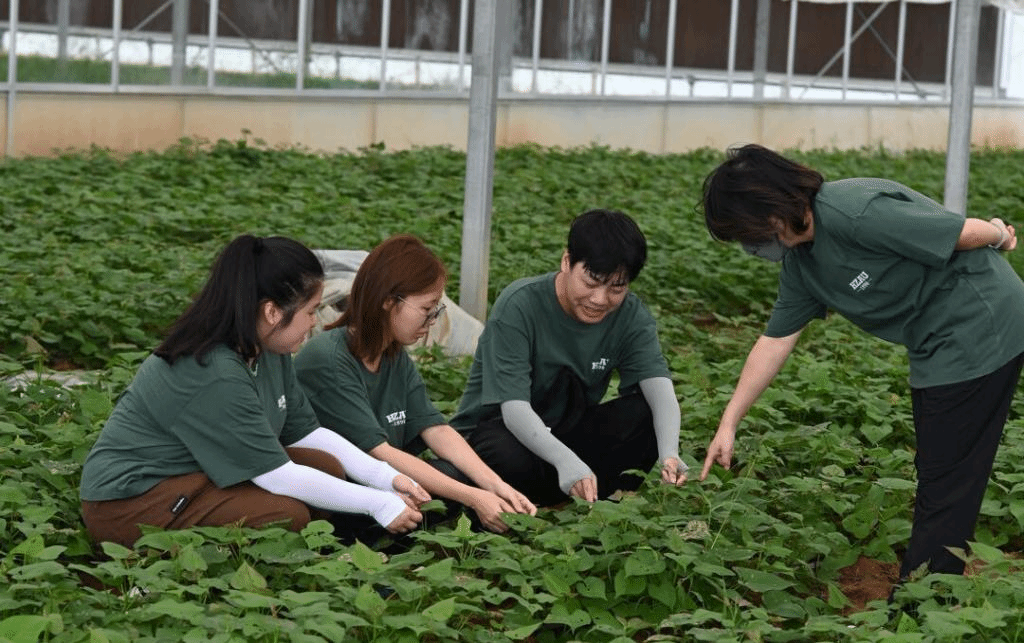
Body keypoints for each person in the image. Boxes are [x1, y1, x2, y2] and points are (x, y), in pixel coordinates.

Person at [698, 143, 1024, 583]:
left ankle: (923, 599)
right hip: (933, 343)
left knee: (948, 479)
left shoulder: (854, 211)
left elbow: (960, 233)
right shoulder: (802, 264)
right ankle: (929, 584)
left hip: (980, 321)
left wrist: (999, 233)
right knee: (939, 466)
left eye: (745, 233)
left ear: (770, 212)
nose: (748, 246)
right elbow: (774, 341)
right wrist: (729, 423)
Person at [79, 235, 429, 548]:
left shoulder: (268, 349)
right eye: (310, 311)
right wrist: (377, 503)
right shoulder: (214, 370)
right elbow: (278, 476)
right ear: (272, 312)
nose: (314, 323)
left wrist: (385, 478)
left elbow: (307, 433)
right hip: (135, 501)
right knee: (285, 515)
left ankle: (309, 553)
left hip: (199, 473)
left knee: (325, 466)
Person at [294, 234, 536, 533]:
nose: (433, 320)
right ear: (388, 301)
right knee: (450, 488)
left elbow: (435, 428)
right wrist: (475, 497)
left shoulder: (392, 353)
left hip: (390, 481)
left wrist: (496, 486)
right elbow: (380, 453)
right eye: (426, 309)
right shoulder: (329, 359)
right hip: (342, 495)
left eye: (436, 310)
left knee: (461, 473)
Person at [449, 209, 688, 507]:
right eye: (591, 282)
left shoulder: (630, 315)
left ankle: (589, 496)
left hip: (563, 434)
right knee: (505, 452)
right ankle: (542, 495)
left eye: (616, 288)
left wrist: (669, 453)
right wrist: (566, 461)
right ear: (567, 262)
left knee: (646, 412)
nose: (600, 299)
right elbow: (514, 411)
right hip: (499, 436)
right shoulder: (520, 304)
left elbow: (659, 389)